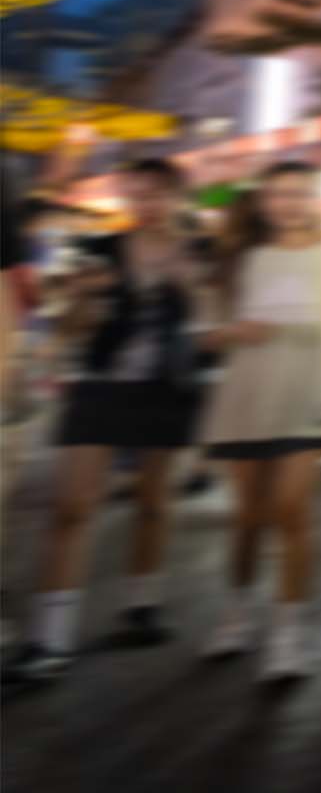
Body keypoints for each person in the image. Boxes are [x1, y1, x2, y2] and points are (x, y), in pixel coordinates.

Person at [3, 159, 207, 685]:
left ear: (179, 197)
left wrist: (196, 290)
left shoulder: (198, 255)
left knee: (153, 503)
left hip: (166, 389)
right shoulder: (100, 249)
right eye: (136, 195)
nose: (146, 205)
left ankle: (142, 607)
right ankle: (50, 639)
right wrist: (84, 298)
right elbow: (67, 329)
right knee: (72, 509)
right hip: (99, 386)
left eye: (157, 194)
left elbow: (213, 328)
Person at [198, 162, 321, 679]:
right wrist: (233, 332)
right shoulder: (244, 259)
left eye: (298, 193)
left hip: (314, 395)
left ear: (315, 197)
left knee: (291, 510)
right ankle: (237, 614)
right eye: (277, 195)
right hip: (247, 393)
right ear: (262, 203)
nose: (288, 203)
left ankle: (289, 632)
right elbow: (206, 331)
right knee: (249, 517)